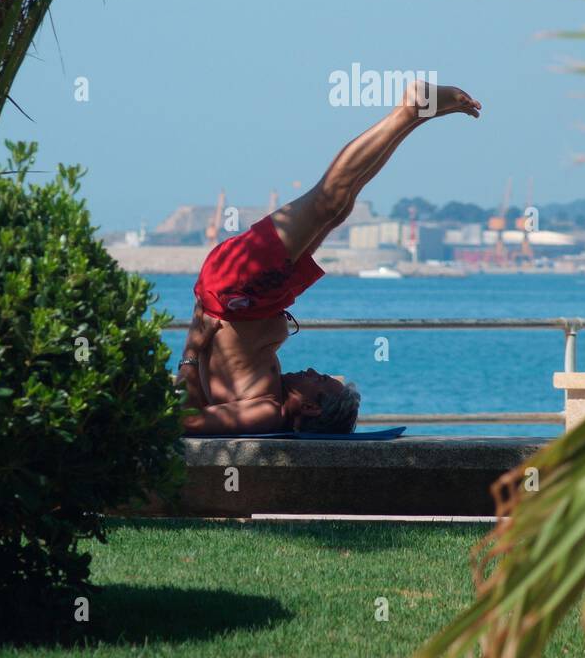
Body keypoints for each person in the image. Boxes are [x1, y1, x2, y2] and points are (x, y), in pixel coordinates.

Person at [177, 82, 481, 435]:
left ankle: (410, 112)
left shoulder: (266, 411)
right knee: (339, 208)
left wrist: (191, 349)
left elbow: (183, 421)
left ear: (309, 406)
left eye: (318, 379)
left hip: (236, 288)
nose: (310, 370)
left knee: (329, 199)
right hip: (251, 294)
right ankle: (414, 117)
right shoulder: (267, 394)